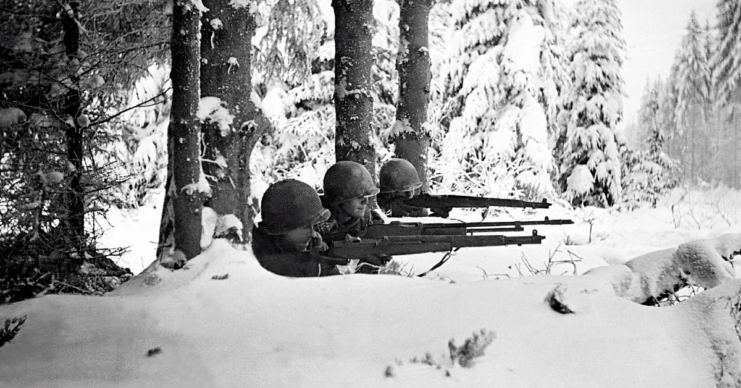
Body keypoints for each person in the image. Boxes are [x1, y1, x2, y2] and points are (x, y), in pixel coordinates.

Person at [252, 179, 342, 277]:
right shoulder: (256, 254)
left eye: (313, 225)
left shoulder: (312, 244)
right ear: (282, 229)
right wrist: (316, 266)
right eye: (303, 227)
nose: (312, 233)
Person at [321, 161, 389, 273]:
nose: (365, 202)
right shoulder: (317, 224)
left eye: (367, 196)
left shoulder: (369, 223)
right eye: (359, 197)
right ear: (339, 198)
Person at [377, 158, 450, 218]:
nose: (410, 195)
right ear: (389, 195)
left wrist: (436, 217)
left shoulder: (416, 211)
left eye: (413, 190)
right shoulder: (378, 216)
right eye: (405, 191)